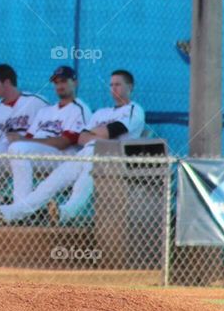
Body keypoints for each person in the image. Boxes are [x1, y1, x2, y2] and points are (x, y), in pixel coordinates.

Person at [39, 70, 145, 224]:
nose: (114, 89)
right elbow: (82, 138)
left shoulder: (134, 109)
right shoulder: (101, 113)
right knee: (55, 178)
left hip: (115, 158)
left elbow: (112, 131)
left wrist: (95, 134)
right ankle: (16, 211)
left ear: (130, 87)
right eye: (111, 85)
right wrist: (101, 134)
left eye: (118, 85)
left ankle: (66, 212)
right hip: (88, 153)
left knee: (92, 155)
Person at [0, 65, 91, 223]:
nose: (59, 86)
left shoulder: (79, 108)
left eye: (63, 81)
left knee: (18, 148)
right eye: (56, 82)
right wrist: (21, 140)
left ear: (75, 83)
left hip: (63, 157)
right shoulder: (46, 111)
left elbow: (63, 142)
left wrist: (22, 140)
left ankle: (19, 209)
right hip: (41, 155)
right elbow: (29, 138)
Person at [0, 64, 48, 204]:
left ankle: (21, 207)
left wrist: (23, 139)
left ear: (7, 82)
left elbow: (49, 128)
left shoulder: (36, 101)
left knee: (18, 148)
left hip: (35, 154)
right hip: (8, 153)